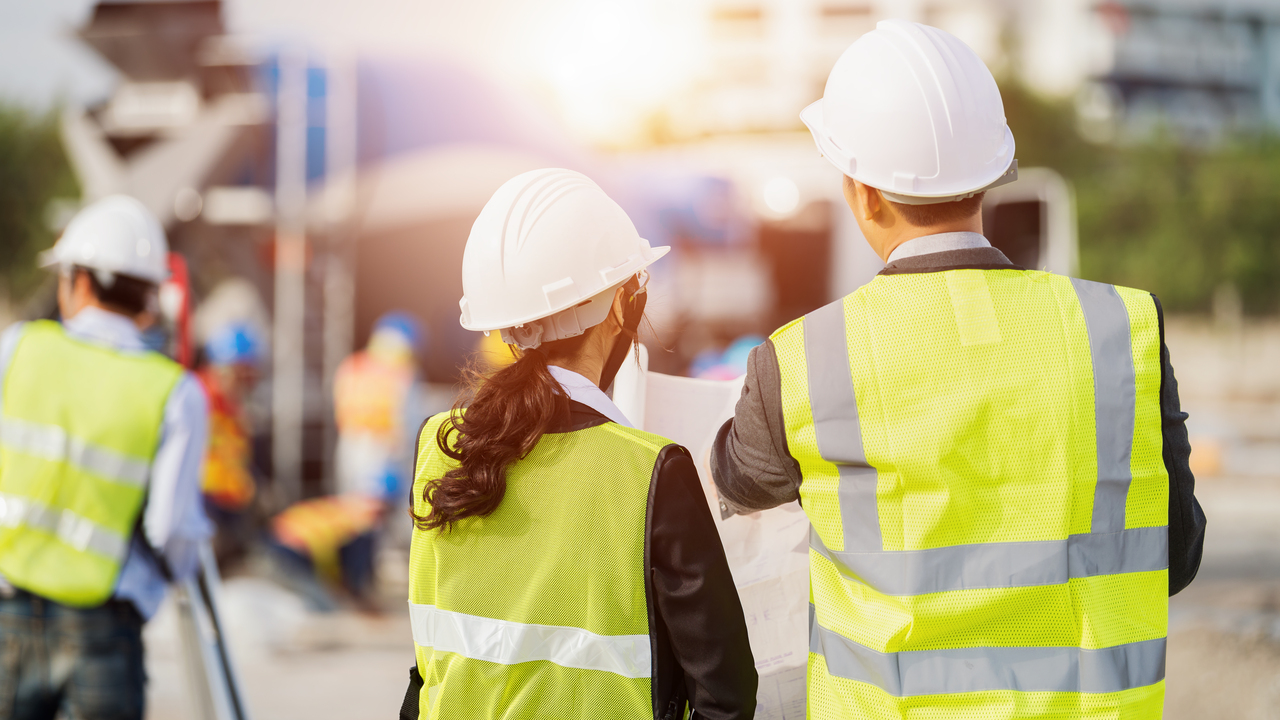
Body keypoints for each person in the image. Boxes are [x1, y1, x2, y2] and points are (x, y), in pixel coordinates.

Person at [711, 20, 1206, 719]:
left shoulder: (801, 361)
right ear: (992, 173)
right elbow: (1175, 558)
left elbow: (736, 480)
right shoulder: (1123, 331)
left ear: (864, 192)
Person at [401, 169, 758, 719]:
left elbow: (430, 667)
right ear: (621, 305)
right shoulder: (651, 472)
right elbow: (726, 692)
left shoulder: (438, 446)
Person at [0, 195, 210, 720]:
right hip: (104, 631)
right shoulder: (174, 392)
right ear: (148, 296)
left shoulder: (19, 348)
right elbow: (169, 530)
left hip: (6, 615)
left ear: (81, 281)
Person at [333, 311, 421, 502]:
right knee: (381, 512)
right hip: (385, 451)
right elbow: (409, 421)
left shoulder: (352, 364)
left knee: (351, 511)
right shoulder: (402, 372)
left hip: (349, 445)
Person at [197, 322, 264, 561]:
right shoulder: (199, 397)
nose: (248, 382)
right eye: (243, 373)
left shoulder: (233, 406)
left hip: (230, 504)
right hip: (206, 503)